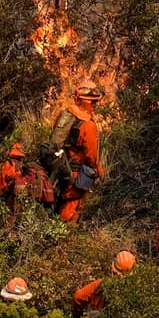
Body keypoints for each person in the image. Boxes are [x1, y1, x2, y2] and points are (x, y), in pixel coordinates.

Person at [52, 83, 104, 223]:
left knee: (56, 204)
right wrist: (96, 170)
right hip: (75, 174)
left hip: (58, 168)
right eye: (92, 101)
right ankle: (65, 241)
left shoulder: (64, 115)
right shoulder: (88, 125)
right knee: (72, 210)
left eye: (96, 101)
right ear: (79, 100)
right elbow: (91, 156)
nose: (95, 104)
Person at [72, 250, 136, 318]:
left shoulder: (100, 285)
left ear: (113, 270)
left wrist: (78, 317)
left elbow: (78, 296)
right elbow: (78, 296)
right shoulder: (136, 292)